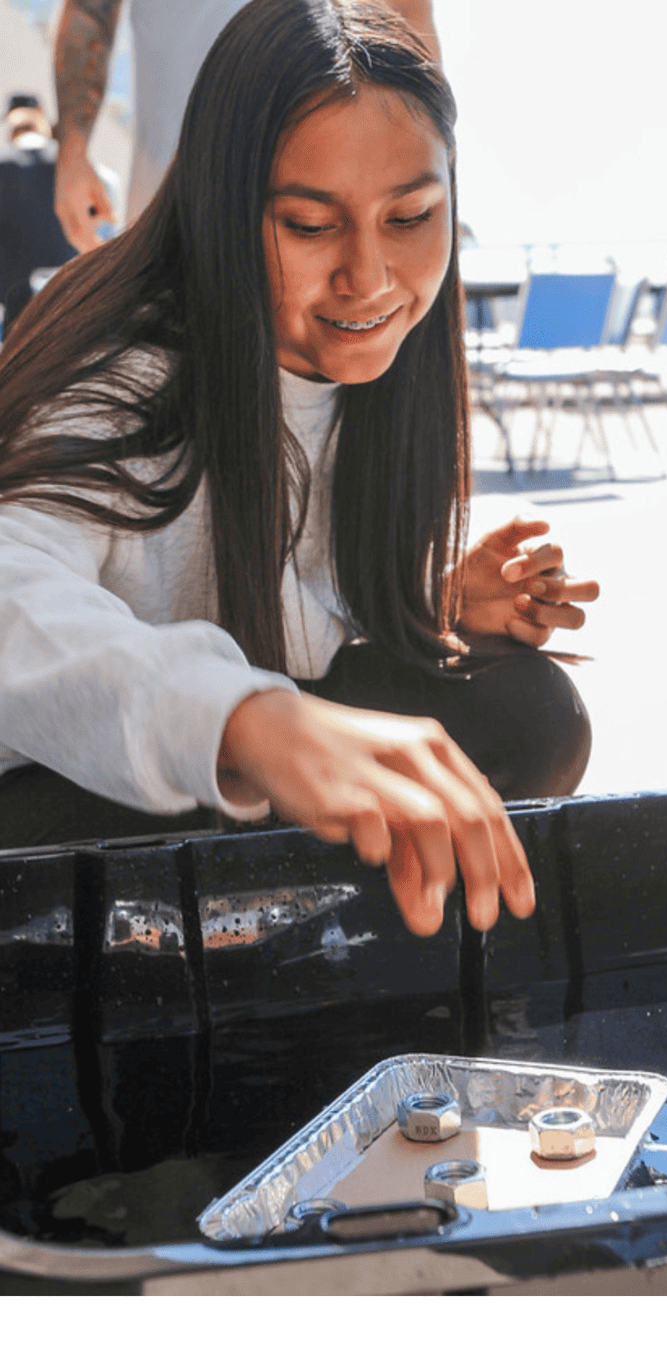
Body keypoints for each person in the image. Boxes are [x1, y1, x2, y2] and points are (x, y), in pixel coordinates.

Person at [0, 0, 597, 938]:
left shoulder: (373, 373)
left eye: (411, 216)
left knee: (528, 712)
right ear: (222, 202)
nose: (371, 278)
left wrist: (429, 606)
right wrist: (245, 721)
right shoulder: (129, 372)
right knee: (217, 792)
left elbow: (276, 600)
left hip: (216, 780)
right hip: (47, 811)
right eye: (310, 226)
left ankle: (322, 951)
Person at [52, 0, 439, 251]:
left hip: (326, 206)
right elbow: (90, 9)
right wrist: (72, 150)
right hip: (175, 214)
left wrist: (433, 165)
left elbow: (406, 13)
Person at [0, 94, 78, 333]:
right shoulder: (79, 168)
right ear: (43, 120)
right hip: (74, 310)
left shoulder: (3, 167)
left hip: (18, 321)